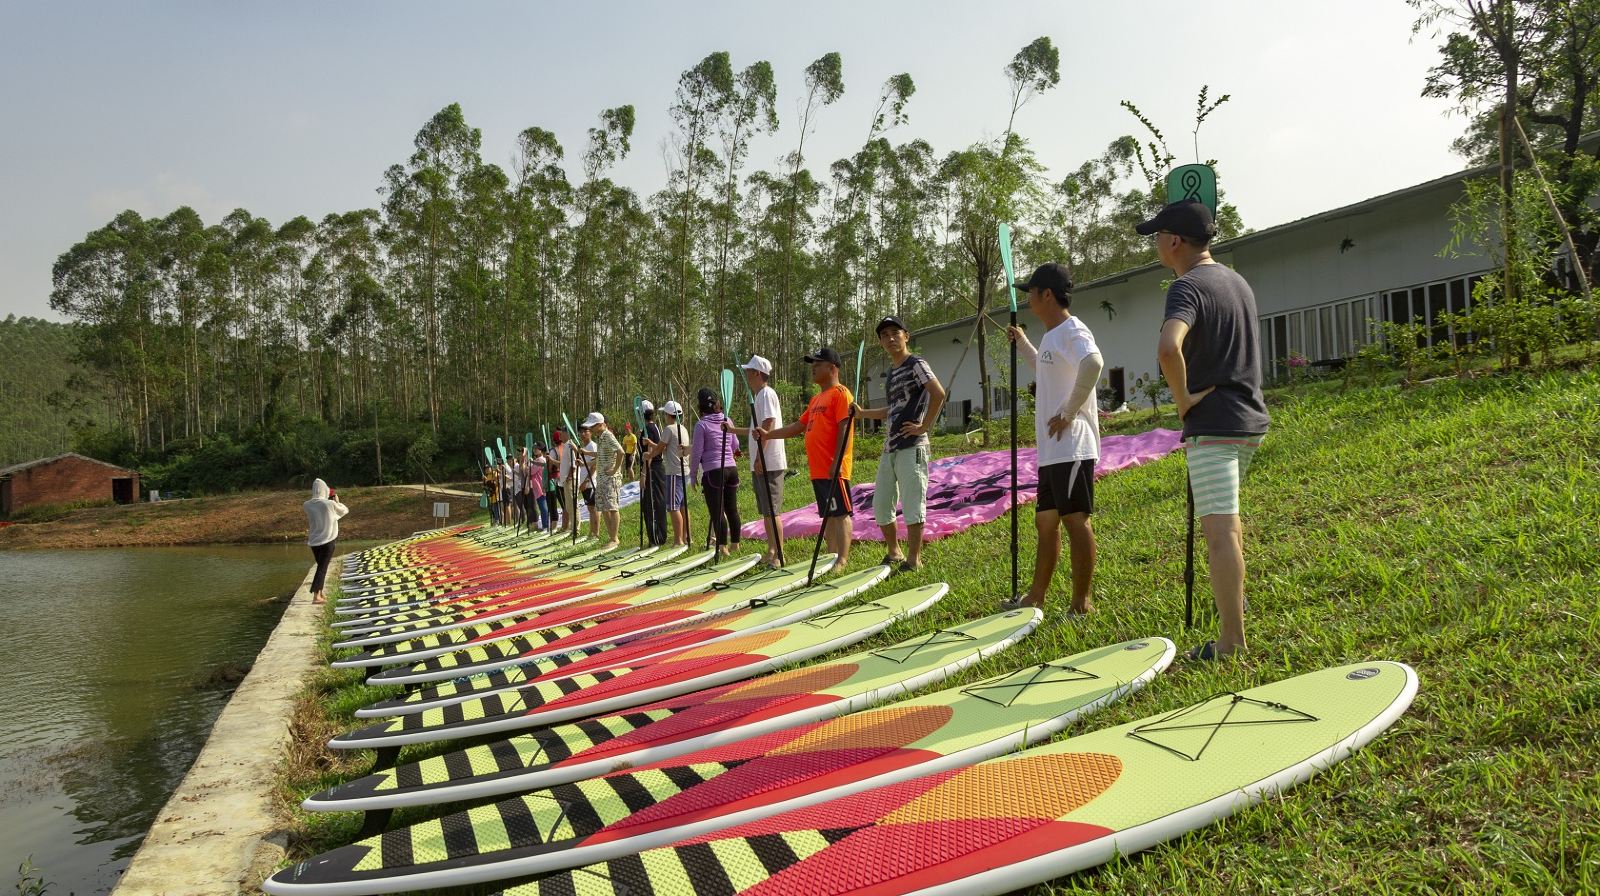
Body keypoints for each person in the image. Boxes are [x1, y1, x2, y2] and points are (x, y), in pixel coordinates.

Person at [1141, 198, 1270, 661]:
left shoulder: (1186, 287)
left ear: (1175, 241)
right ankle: (1234, 601)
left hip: (1212, 424)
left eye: (1158, 235)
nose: (1155, 243)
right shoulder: (1236, 282)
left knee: (1221, 532)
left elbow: (1167, 348)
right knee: (1229, 524)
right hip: (1250, 422)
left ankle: (1231, 641)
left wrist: (1182, 400)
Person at [1005, 263, 1103, 616]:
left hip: (1072, 445)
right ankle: (1035, 597)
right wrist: (1023, 342)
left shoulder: (1073, 329)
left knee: (1075, 520)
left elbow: (1093, 364)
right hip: (1051, 451)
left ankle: (1081, 603)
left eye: (1030, 291)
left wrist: (1068, 411)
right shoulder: (1051, 336)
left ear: (1047, 294)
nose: (1027, 297)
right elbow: (1045, 369)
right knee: (1045, 522)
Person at [853, 317, 945, 572]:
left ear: (906, 335)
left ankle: (914, 559)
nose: (890, 338)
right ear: (881, 342)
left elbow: (938, 393)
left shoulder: (917, 364)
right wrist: (862, 414)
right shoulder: (893, 372)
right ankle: (894, 552)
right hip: (890, 447)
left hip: (912, 445)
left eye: (895, 333)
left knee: (913, 502)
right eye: (885, 335)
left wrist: (924, 426)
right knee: (881, 503)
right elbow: (890, 410)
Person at [756, 347, 855, 571]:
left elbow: (845, 429)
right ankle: (830, 556)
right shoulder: (816, 399)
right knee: (828, 514)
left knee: (840, 514)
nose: (813, 368)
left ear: (832, 368)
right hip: (818, 469)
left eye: (818, 364)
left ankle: (842, 559)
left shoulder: (841, 393)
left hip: (834, 468)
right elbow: (798, 427)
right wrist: (769, 434)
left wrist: (837, 462)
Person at [721, 355, 788, 568]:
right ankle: (771, 549)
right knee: (766, 511)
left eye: (749, 372)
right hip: (761, 462)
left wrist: (760, 457)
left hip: (769, 461)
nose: (747, 376)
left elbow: (769, 424)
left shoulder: (767, 394)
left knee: (773, 510)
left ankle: (779, 554)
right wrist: (733, 430)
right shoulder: (759, 396)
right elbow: (755, 430)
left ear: (757, 373)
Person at [691, 387, 741, 560]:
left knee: (717, 511)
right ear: (717, 403)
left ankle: (722, 547)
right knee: (732, 509)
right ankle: (735, 544)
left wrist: (692, 475)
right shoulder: (728, 420)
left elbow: (697, 452)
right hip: (731, 469)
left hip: (713, 472)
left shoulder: (701, 425)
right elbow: (735, 445)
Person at [303, 478, 349, 604]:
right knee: (322, 568)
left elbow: (319, 509)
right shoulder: (329, 504)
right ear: (325, 490)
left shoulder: (306, 505)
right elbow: (344, 510)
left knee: (321, 567)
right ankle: (316, 596)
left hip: (314, 541)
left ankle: (321, 593)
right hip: (328, 540)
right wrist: (337, 502)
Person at [586, 412, 624, 550]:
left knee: (612, 508)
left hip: (610, 478)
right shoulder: (601, 438)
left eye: (593, 426)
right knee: (605, 508)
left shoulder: (607, 435)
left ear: (600, 424)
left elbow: (621, 452)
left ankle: (615, 538)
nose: (591, 429)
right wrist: (585, 453)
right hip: (602, 478)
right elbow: (600, 454)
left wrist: (614, 470)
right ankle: (611, 538)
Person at [658, 400, 692, 547]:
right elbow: (667, 448)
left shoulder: (669, 429)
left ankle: (678, 541)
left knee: (673, 507)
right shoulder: (682, 428)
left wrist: (649, 454)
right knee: (683, 506)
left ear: (668, 415)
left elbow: (660, 448)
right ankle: (686, 537)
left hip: (674, 473)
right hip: (685, 472)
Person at [640, 402, 667, 545]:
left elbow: (649, 452)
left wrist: (644, 473)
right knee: (654, 503)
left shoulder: (648, 428)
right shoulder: (653, 426)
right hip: (656, 468)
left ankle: (656, 538)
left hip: (652, 469)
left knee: (652, 504)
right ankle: (657, 537)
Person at [577, 424, 599, 538]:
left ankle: (596, 533)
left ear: (591, 432)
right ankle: (592, 531)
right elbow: (584, 464)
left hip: (591, 482)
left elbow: (594, 466)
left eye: (586, 431)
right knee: (590, 508)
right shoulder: (582, 447)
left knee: (594, 508)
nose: (583, 434)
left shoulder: (592, 446)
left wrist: (586, 481)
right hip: (584, 482)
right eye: (581, 432)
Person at [528, 444, 549, 530]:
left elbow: (531, 471)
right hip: (540, 486)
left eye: (537, 448)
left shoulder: (540, 460)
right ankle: (545, 525)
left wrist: (529, 464)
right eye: (534, 448)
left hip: (540, 487)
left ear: (541, 450)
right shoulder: (540, 459)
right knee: (543, 507)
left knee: (543, 508)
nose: (535, 450)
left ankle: (545, 526)